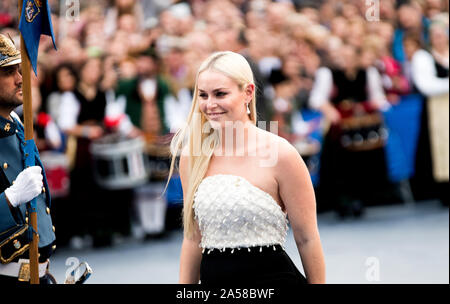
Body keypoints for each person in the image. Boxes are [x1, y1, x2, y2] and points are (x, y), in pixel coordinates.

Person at [166, 51, 325, 284]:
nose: (210, 104)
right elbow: (192, 238)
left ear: (248, 93)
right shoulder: (194, 156)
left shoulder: (281, 153)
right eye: (203, 95)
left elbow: (307, 238)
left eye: (220, 94)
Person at [0, 34, 56, 284]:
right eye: (7, 72)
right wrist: (9, 199)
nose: (20, 78)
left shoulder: (18, 124)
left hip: (39, 274)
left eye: (19, 69)